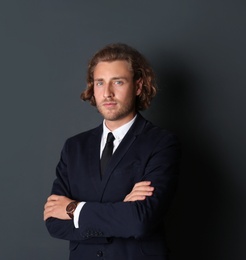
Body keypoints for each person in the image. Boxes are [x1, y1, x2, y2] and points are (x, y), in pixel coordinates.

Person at [43, 43, 180, 260]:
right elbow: (53, 222)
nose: (107, 93)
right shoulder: (74, 147)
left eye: (118, 81)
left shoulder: (161, 143)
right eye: (100, 83)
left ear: (137, 86)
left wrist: (73, 210)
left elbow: (139, 221)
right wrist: (119, 213)